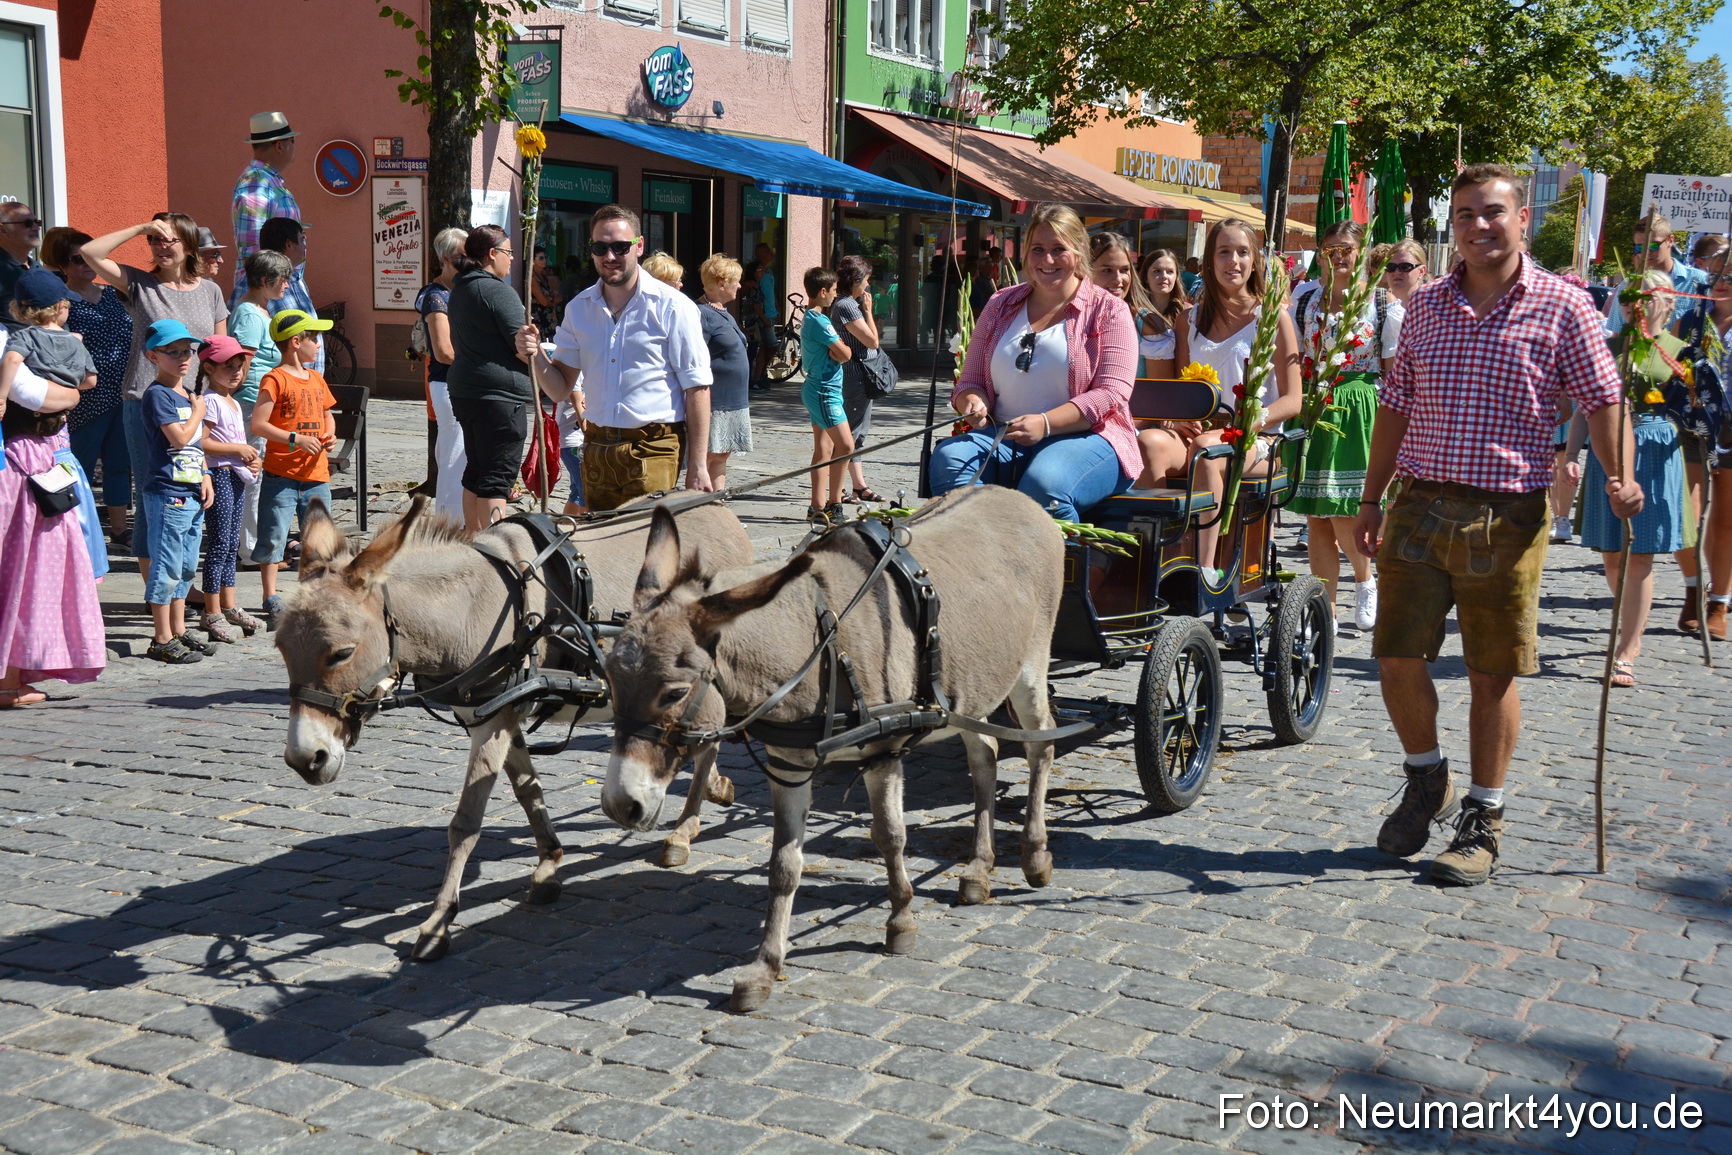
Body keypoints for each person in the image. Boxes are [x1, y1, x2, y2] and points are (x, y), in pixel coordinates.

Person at [1353, 163, 1641, 887]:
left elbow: (1604, 399)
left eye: (1493, 212)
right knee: (1395, 655)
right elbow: (1395, 401)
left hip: (1508, 511)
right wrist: (1370, 497)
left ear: (1520, 219)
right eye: (1465, 215)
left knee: (1491, 671)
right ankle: (1427, 779)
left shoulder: (1562, 305)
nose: (1479, 226)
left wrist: (1618, 473)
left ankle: (1483, 818)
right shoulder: (1425, 306)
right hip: (1417, 499)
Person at [927, 202, 1140, 522]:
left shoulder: (1109, 311)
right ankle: (979, 550)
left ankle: (1057, 569)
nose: (1048, 260)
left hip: (1091, 439)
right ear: (1026, 253)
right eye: (1038, 249)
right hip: (1002, 437)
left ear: (1080, 252)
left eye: (1059, 249)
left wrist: (1046, 424)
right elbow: (969, 381)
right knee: (950, 457)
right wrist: (972, 401)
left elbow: (1110, 394)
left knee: (1045, 484)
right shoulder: (1001, 303)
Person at [523, 204, 712, 511]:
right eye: (600, 247)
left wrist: (698, 465)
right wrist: (534, 355)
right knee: (601, 548)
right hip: (597, 444)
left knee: (642, 545)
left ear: (639, 246)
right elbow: (558, 389)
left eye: (620, 247)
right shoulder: (579, 309)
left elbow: (698, 388)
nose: (610, 257)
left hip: (655, 445)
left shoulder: (673, 307)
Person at [82, 214, 228, 591]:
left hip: (192, 404)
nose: (161, 247)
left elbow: (218, 354)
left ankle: (177, 584)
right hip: (145, 402)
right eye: (155, 241)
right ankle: (157, 590)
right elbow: (89, 252)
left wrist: (213, 403)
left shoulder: (210, 291)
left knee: (191, 489)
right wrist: (137, 229)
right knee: (154, 493)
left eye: (170, 240)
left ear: (190, 245)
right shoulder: (140, 284)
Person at [1571, 270, 1684, 685]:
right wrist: (1569, 454)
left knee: (1640, 558)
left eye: (1647, 296)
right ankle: (1625, 622)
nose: (1636, 304)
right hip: (1610, 450)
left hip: (1655, 452)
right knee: (1614, 556)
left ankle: (1628, 647)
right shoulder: (1607, 348)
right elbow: (1586, 407)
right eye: (1628, 297)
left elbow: (1696, 409)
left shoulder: (1680, 350)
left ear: (1668, 302)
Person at [1290, 220, 1403, 632]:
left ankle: (1365, 581)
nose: (1339, 256)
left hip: (1359, 406)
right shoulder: (1305, 301)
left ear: (1360, 253)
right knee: (1317, 516)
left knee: (1346, 508)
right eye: (1331, 248)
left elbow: (1392, 373)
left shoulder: (1382, 304)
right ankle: (1327, 607)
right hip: (1316, 406)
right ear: (1321, 253)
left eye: (1347, 249)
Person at [1184, 219, 1304, 576]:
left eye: (1242, 252)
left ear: (1254, 262)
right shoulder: (1188, 320)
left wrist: (1254, 419)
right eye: (1224, 252)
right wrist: (1176, 418)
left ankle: (1204, 569)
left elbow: (1294, 399)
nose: (1232, 261)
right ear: (1209, 261)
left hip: (1257, 437)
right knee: (1150, 445)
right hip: (1201, 430)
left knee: (1207, 453)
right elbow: (1180, 387)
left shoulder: (1273, 318)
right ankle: (1154, 564)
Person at [0, 326, 106, 703]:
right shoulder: (6, 341)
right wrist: (72, 390)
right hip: (17, 464)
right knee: (22, 576)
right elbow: (37, 395)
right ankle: (8, 682)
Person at [44, 228, 134, 548]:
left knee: (118, 464)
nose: (86, 264)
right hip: (85, 399)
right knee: (77, 464)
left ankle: (120, 530)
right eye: (76, 259)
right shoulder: (60, 303)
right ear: (62, 265)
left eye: (90, 256)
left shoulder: (113, 295)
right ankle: (75, 529)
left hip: (121, 393)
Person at [446, 224, 535, 530]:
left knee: (477, 471)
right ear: (493, 254)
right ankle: (495, 552)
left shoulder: (461, 288)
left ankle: (473, 545)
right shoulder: (497, 291)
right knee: (496, 480)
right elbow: (522, 347)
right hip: (498, 397)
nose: (512, 259)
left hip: (467, 391)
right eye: (509, 253)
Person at [137, 319, 216, 663]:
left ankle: (180, 629)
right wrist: (199, 412)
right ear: (153, 356)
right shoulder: (158, 395)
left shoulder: (186, 394)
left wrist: (205, 475)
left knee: (185, 566)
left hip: (192, 490)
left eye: (187, 351)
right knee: (166, 565)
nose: (184, 358)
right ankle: (161, 637)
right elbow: (180, 437)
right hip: (168, 492)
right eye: (173, 353)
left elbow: (194, 448)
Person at [250, 308, 336, 622]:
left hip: (317, 475)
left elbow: (327, 412)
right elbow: (259, 423)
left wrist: (330, 434)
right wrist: (295, 439)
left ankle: (315, 594)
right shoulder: (275, 379)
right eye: (314, 338)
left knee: (319, 539)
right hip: (281, 476)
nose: (319, 343)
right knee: (273, 536)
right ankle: (270, 595)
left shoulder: (316, 377)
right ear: (296, 342)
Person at [1675, 236, 1730, 637]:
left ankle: (1719, 602)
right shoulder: (1694, 315)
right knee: (1686, 517)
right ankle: (1692, 590)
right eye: (1720, 272)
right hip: (1692, 422)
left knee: (1726, 519)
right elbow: (1666, 361)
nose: (1723, 280)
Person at [194, 335, 264, 642]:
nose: (236, 372)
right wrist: (238, 449)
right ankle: (211, 611)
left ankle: (230, 604)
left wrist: (251, 460)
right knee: (220, 544)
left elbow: (236, 444)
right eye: (228, 366)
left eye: (240, 366)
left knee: (231, 542)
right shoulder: (209, 401)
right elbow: (203, 442)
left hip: (235, 476)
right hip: (219, 476)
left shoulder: (233, 402)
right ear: (209, 368)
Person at [231, 250, 292, 559]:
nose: (287, 285)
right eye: (284, 279)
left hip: (263, 405)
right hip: (251, 405)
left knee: (258, 475)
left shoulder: (262, 310)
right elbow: (243, 363)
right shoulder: (250, 314)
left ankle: (256, 543)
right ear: (266, 280)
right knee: (251, 476)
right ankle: (250, 549)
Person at [416, 227, 467, 524]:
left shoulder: (455, 291)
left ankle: (457, 519)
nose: (469, 261)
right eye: (463, 256)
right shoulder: (435, 296)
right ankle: (448, 523)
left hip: (457, 381)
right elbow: (444, 352)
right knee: (453, 456)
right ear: (446, 259)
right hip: (447, 382)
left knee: (456, 452)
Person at [800, 266, 853, 522]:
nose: (835, 296)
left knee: (824, 448)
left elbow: (837, 351)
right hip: (824, 390)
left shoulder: (812, 317)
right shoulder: (819, 320)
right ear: (822, 292)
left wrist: (838, 349)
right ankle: (835, 503)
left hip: (821, 388)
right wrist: (842, 349)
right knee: (846, 445)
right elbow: (845, 354)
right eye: (833, 291)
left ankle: (816, 507)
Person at [832, 254, 885, 504]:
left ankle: (859, 486)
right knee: (849, 434)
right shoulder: (847, 306)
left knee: (858, 433)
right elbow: (872, 341)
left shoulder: (848, 303)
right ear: (856, 280)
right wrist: (869, 311)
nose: (867, 285)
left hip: (861, 375)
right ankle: (838, 489)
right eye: (866, 280)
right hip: (855, 375)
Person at [231, 111, 300, 300]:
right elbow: (254, 249)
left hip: (277, 285)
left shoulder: (268, 180)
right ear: (280, 146)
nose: (294, 146)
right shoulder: (256, 182)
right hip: (269, 290)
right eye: (292, 140)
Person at [697, 253, 751, 491]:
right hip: (715, 401)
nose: (739, 285)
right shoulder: (702, 314)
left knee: (721, 455)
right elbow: (695, 358)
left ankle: (717, 504)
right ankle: (698, 510)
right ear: (720, 283)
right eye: (735, 281)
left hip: (733, 399)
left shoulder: (721, 310)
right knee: (708, 455)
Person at [1608, 214, 1709, 336]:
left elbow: (1710, 329)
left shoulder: (1698, 281)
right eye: (1640, 247)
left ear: (1670, 240)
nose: (1646, 252)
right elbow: (1618, 334)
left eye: (1653, 246)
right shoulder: (1629, 284)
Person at [257, 217, 323, 374]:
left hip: (306, 381)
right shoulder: (258, 282)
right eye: (302, 239)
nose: (305, 245)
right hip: (281, 383)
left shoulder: (297, 280)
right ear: (288, 244)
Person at [0, 201, 43, 324]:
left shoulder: (38, 269)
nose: (36, 228)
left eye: (37, 222)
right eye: (27, 223)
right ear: (3, 230)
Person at [1377, 239, 1429, 306]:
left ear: (1421, 271)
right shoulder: (1375, 305)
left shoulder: (1431, 308)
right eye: (1391, 267)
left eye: (1404, 267)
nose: (1396, 272)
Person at [530, 245, 561, 335]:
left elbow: (559, 296)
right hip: (540, 319)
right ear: (533, 260)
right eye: (541, 258)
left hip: (550, 318)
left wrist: (551, 299)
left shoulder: (544, 276)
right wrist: (553, 299)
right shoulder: (532, 278)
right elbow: (543, 301)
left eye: (545, 257)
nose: (544, 260)